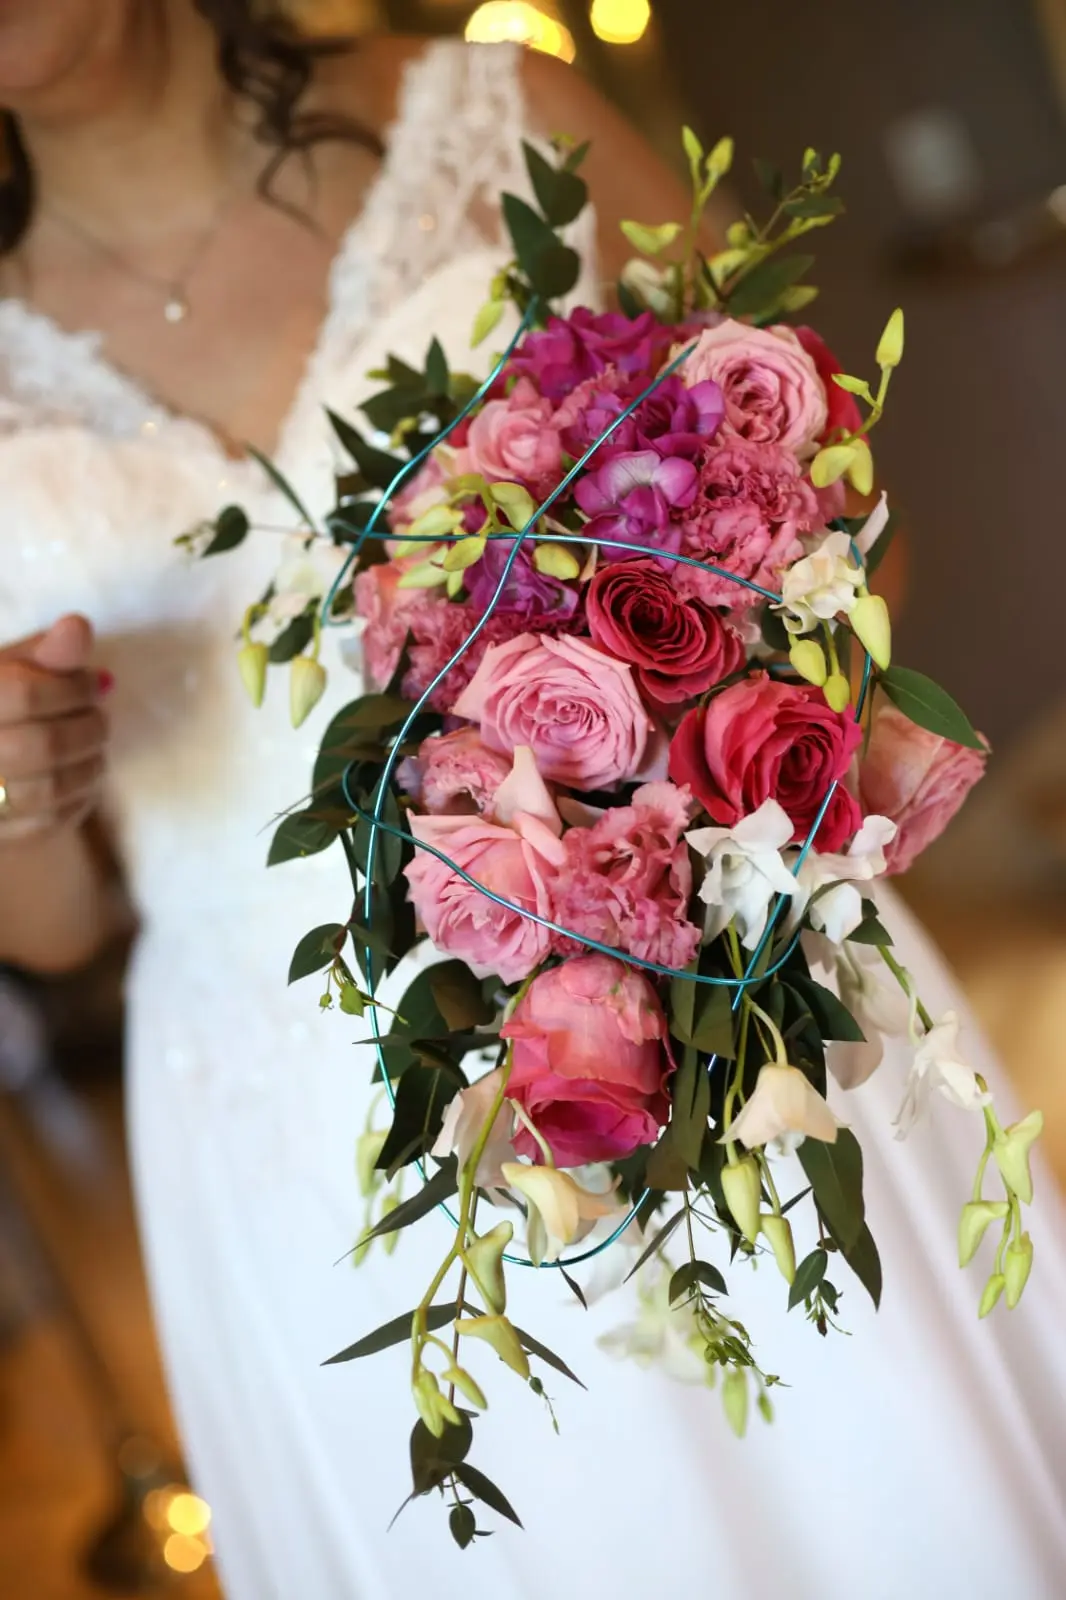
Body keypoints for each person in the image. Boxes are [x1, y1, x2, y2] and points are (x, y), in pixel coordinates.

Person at [0, 5, 1063, 1596]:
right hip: (309, 1125)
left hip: (729, 995)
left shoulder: (500, 108)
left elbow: (848, 519)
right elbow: (64, 918)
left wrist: (691, 794)